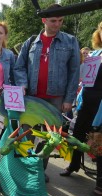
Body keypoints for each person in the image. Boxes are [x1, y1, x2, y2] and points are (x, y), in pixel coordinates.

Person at [14, 3, 80, 182]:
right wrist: (22, 85)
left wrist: (69, 99)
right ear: (44, 20)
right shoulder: (31, 42)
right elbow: (19, 67)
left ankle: (39, 170)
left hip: (56, 99)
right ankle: (23, 168)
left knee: (50, 137)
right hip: (32, 97)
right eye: (53, 21)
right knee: (25, 133)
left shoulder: (70, 41)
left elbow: (75, 72)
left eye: (60, 20)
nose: (57, 24)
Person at [59, 21, 102, 196]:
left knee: (99, 144)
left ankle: (100, 184)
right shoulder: (96, 53)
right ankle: (74, 164)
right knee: (77, 134)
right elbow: (86, 79)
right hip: (87, 103)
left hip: (101, 106)